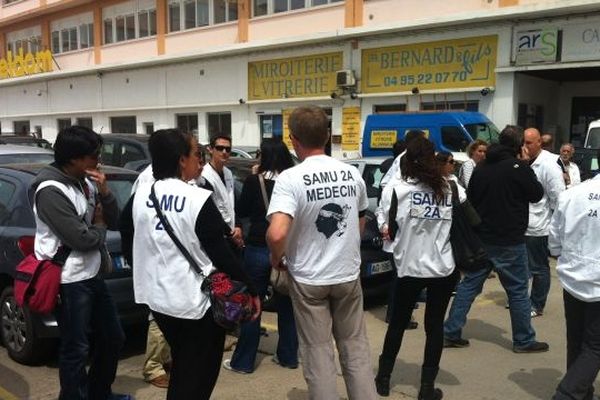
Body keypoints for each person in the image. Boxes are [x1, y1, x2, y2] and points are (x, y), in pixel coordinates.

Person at [128, 129, 260, 399]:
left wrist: (147, 267)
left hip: (157, 299)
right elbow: (221, 253)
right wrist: (252, 288)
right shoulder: (196, 198)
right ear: (181, 159)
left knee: (182, 367)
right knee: (199, 375)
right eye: (196, 154)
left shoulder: (142, 194)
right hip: (195, 304)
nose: (199, 160)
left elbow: (127, 232)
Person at [266, 106, 377, 400]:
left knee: (318, 354)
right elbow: (360, 221)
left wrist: (277, 258)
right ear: (327, 136)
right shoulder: (352, 175)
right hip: (346, 273)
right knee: (355, 346)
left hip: (309, 278)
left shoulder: (290, 179)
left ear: (293, 139)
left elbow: (277, 232)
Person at [31, 126, 130, 400]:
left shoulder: (84, 183)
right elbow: (82, 239)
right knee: (76, 347)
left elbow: (113, 219)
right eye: (93, 155)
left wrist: (106, 193)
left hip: (91, 275)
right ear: (73, 158)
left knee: (113, 337)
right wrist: (98, 227)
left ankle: (100, 393)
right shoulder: (50, 190)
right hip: (69, 280)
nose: (98, 160)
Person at [443, 125, 550, 353]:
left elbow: (471, 198)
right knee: (518, 291)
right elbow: (537, 194)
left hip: (482, 238)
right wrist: (525, 165)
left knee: (469, 286)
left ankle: (450, 331)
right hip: (510, 240)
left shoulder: (481, 168)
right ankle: (523, 340)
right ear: (519, 145)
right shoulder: (518, 167)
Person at [375, 137, 459, 399]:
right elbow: (469, 220)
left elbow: (384, 226)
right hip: (443, 268)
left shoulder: (396, 189)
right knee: (434, 327)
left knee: (397, 324)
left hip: (408, 266)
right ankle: (426, 388)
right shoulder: (451, 188)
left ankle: (383, 380)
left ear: (406, 160)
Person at [223, 138, 299, 373]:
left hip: (257, 246)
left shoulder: (254, 181)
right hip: (286, 248)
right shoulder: (294, 180)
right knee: (286, 304)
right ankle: (288, 356)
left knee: (252, 305)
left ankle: (243, 362)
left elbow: (243, 210)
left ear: (264, 156)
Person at [548, 172, 600, 400]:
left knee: (577, 340)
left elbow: (554, 239)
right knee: (595, 347)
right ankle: (567, 394)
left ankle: (583, 392)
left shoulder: (571, 194)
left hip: (573, 278)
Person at [523, 128, 565, 318]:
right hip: (522, 225)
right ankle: (522, 301)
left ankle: (536, 304)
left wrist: (556, 228)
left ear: (539, 142)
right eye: (523, 142)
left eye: (529, 143)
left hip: (539, 227)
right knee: (523, 267)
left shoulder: (548, 164)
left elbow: (558, 198)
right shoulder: (524, 161)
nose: (525, 147)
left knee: (538, 268)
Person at [201, 133, 244, 249]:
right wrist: (231, 234)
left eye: (228, 149)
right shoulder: (204, 177)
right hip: (217, 237)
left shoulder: (228, 173)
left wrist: (238, 226)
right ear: (210, 149)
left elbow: (231, 204)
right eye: (219, 148)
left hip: (232, 234)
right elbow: (211, 212)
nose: (224, 152)